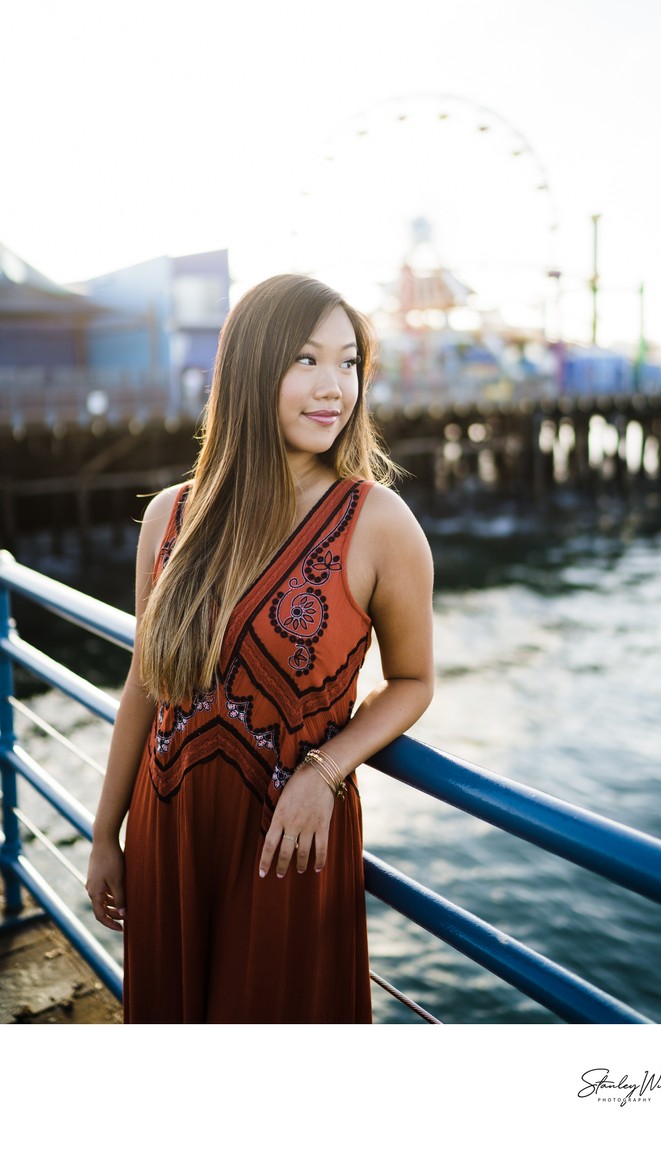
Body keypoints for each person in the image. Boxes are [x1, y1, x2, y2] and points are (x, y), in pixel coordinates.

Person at [86, 273, 434, 1023]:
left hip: (287, 841)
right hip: (167, 825)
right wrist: (105, 833)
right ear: (249, 369)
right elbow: (145, 685)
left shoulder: (378, 521)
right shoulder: (169, 517)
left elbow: (411, 681)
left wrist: (326, 769)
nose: (332, 387)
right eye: (305, 360)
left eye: (348, 363)